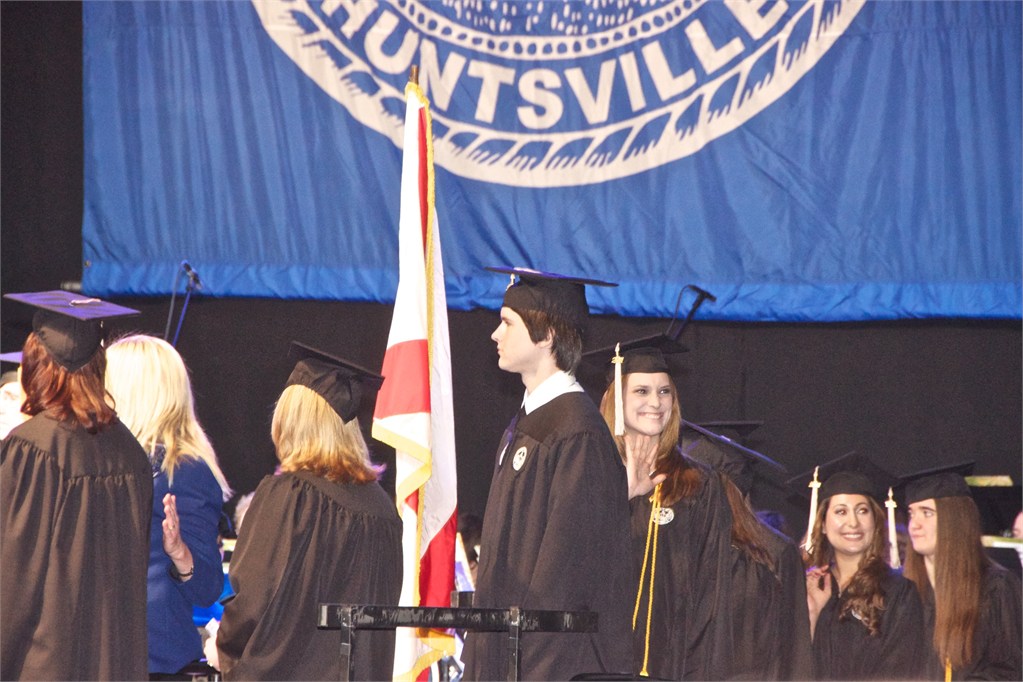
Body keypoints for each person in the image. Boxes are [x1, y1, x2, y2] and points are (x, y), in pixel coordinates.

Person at [462, 268, 633, 681]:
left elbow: (565, 577)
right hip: (507, 656)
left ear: (547, 334)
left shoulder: (577, 433)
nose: (495, 335)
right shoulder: (529, 423)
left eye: (507, 323)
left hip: (548, 665)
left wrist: (527, 669)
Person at [214, 342, 402, 681]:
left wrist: (224, 649)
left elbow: (253, 600)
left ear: (291, 421)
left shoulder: (289, 496)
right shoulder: (383, 511)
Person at [0, 291, 152, 680]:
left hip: (45, 664)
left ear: (36, 366)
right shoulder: (130, 451)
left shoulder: (31, 449)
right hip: (113, 664)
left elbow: (13, 580)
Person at [595, 343, 737, 679]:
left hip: (675, 663)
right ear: (616, 400)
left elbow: (712, 591)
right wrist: (622, 497)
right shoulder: (592, 474)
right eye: (641, 391)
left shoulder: (698, 484)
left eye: (664, 391)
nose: (656, 402)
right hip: (596, 659)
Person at [104, 334, 233, 678]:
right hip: (100, 649)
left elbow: (207, 587)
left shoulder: (184, 470)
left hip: (150, 658)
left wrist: (180, 553)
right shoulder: (102, 460)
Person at [803, 465, 929, 680]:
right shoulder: (810, 587)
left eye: (862, 511)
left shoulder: (898, 592)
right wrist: (812, 614)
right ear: (822, 524)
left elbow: (900, 670)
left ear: (875, 521)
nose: (853, 522)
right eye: (841, 512)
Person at [903, 471, 1023, 680]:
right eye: (912, 513)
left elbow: (1009, 669)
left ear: (956, 519)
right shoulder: (904, 592)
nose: (914, 524)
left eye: (927, 513)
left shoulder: (996, 587)